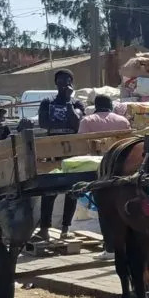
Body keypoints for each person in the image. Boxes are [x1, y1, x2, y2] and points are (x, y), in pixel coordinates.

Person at [78, 95, 132, 261]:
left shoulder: (87, 121)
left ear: (96, 106)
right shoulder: (123, 121)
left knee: (105, 209)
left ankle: (109, 248)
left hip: (98, 167)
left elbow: (81, 146)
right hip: (124, 168)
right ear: (110, 106)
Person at [35, 69, 86, 241]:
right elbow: (44, 122)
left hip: (71, 151)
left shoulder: (77, 103)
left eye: (67, 80)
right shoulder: (47, 102)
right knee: (49, 190)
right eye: (61, 81)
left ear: (72, 83)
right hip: (51, 150)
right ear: (56, 83)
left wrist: (69, 104)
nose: (64, 84)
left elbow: (76, 123)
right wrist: (61, 124)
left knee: (72, 190)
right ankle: (44, 229)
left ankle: (65, 228)